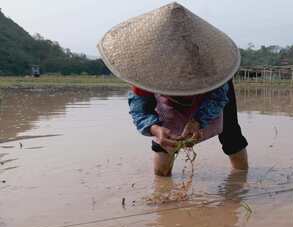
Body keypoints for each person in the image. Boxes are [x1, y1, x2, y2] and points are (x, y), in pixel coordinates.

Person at [97, 2, 248, 176]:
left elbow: (218, 99)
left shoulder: (215, 71)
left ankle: (241, 179)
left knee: (231, 136)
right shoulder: (147, 74)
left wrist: (197, 121)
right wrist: (155, 129)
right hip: (168, 105)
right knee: (163, 153)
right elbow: (139, 111)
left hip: (209, 94)